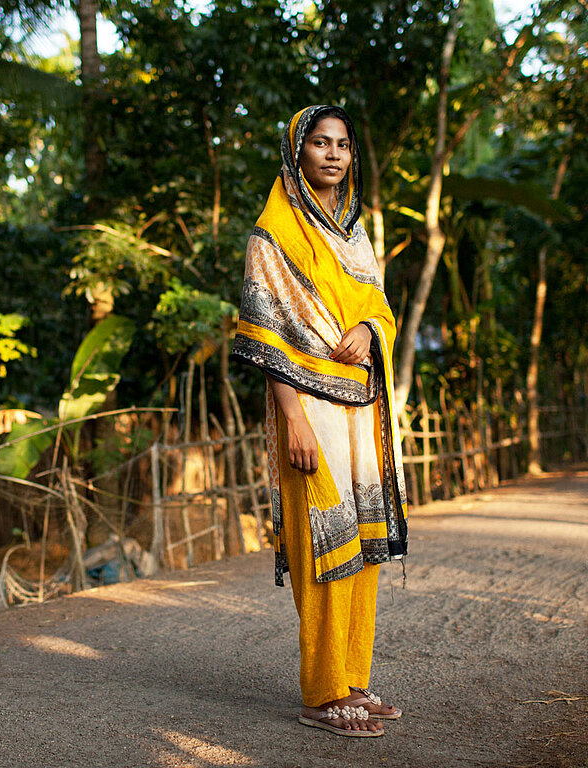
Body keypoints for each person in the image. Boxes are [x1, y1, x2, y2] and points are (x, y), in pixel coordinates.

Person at [231, 105, 409, 738]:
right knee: (324, 545)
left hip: (362, 410)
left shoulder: (353, 235)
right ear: (297, 154)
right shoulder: (272, 233)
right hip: (307, 409)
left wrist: (366, 328)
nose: (333, 154)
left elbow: (379, 308)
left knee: (362, 546)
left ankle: (353, 681)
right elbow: (267, 334)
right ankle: (322, 691)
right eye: (320, 143)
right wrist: (294, 420)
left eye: (342, 145)